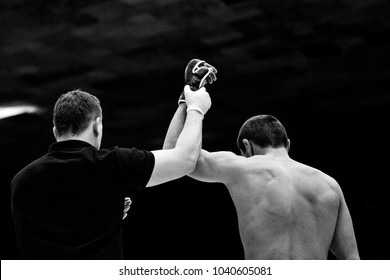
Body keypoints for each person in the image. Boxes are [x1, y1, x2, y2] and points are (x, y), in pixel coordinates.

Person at [11, 85, 211, 259]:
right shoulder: (114, 164)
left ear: (55, 131)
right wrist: (196, 108)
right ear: (97, 126)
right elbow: (184, 160)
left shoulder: (21, 180)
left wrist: (104, 210)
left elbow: (59, 223)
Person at [163, 105, 359, 259]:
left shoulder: (241, 167)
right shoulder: (330, 185)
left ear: (246, 147)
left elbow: (173, 155)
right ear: (287, 144)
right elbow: (351, 261)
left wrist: (186, 103)